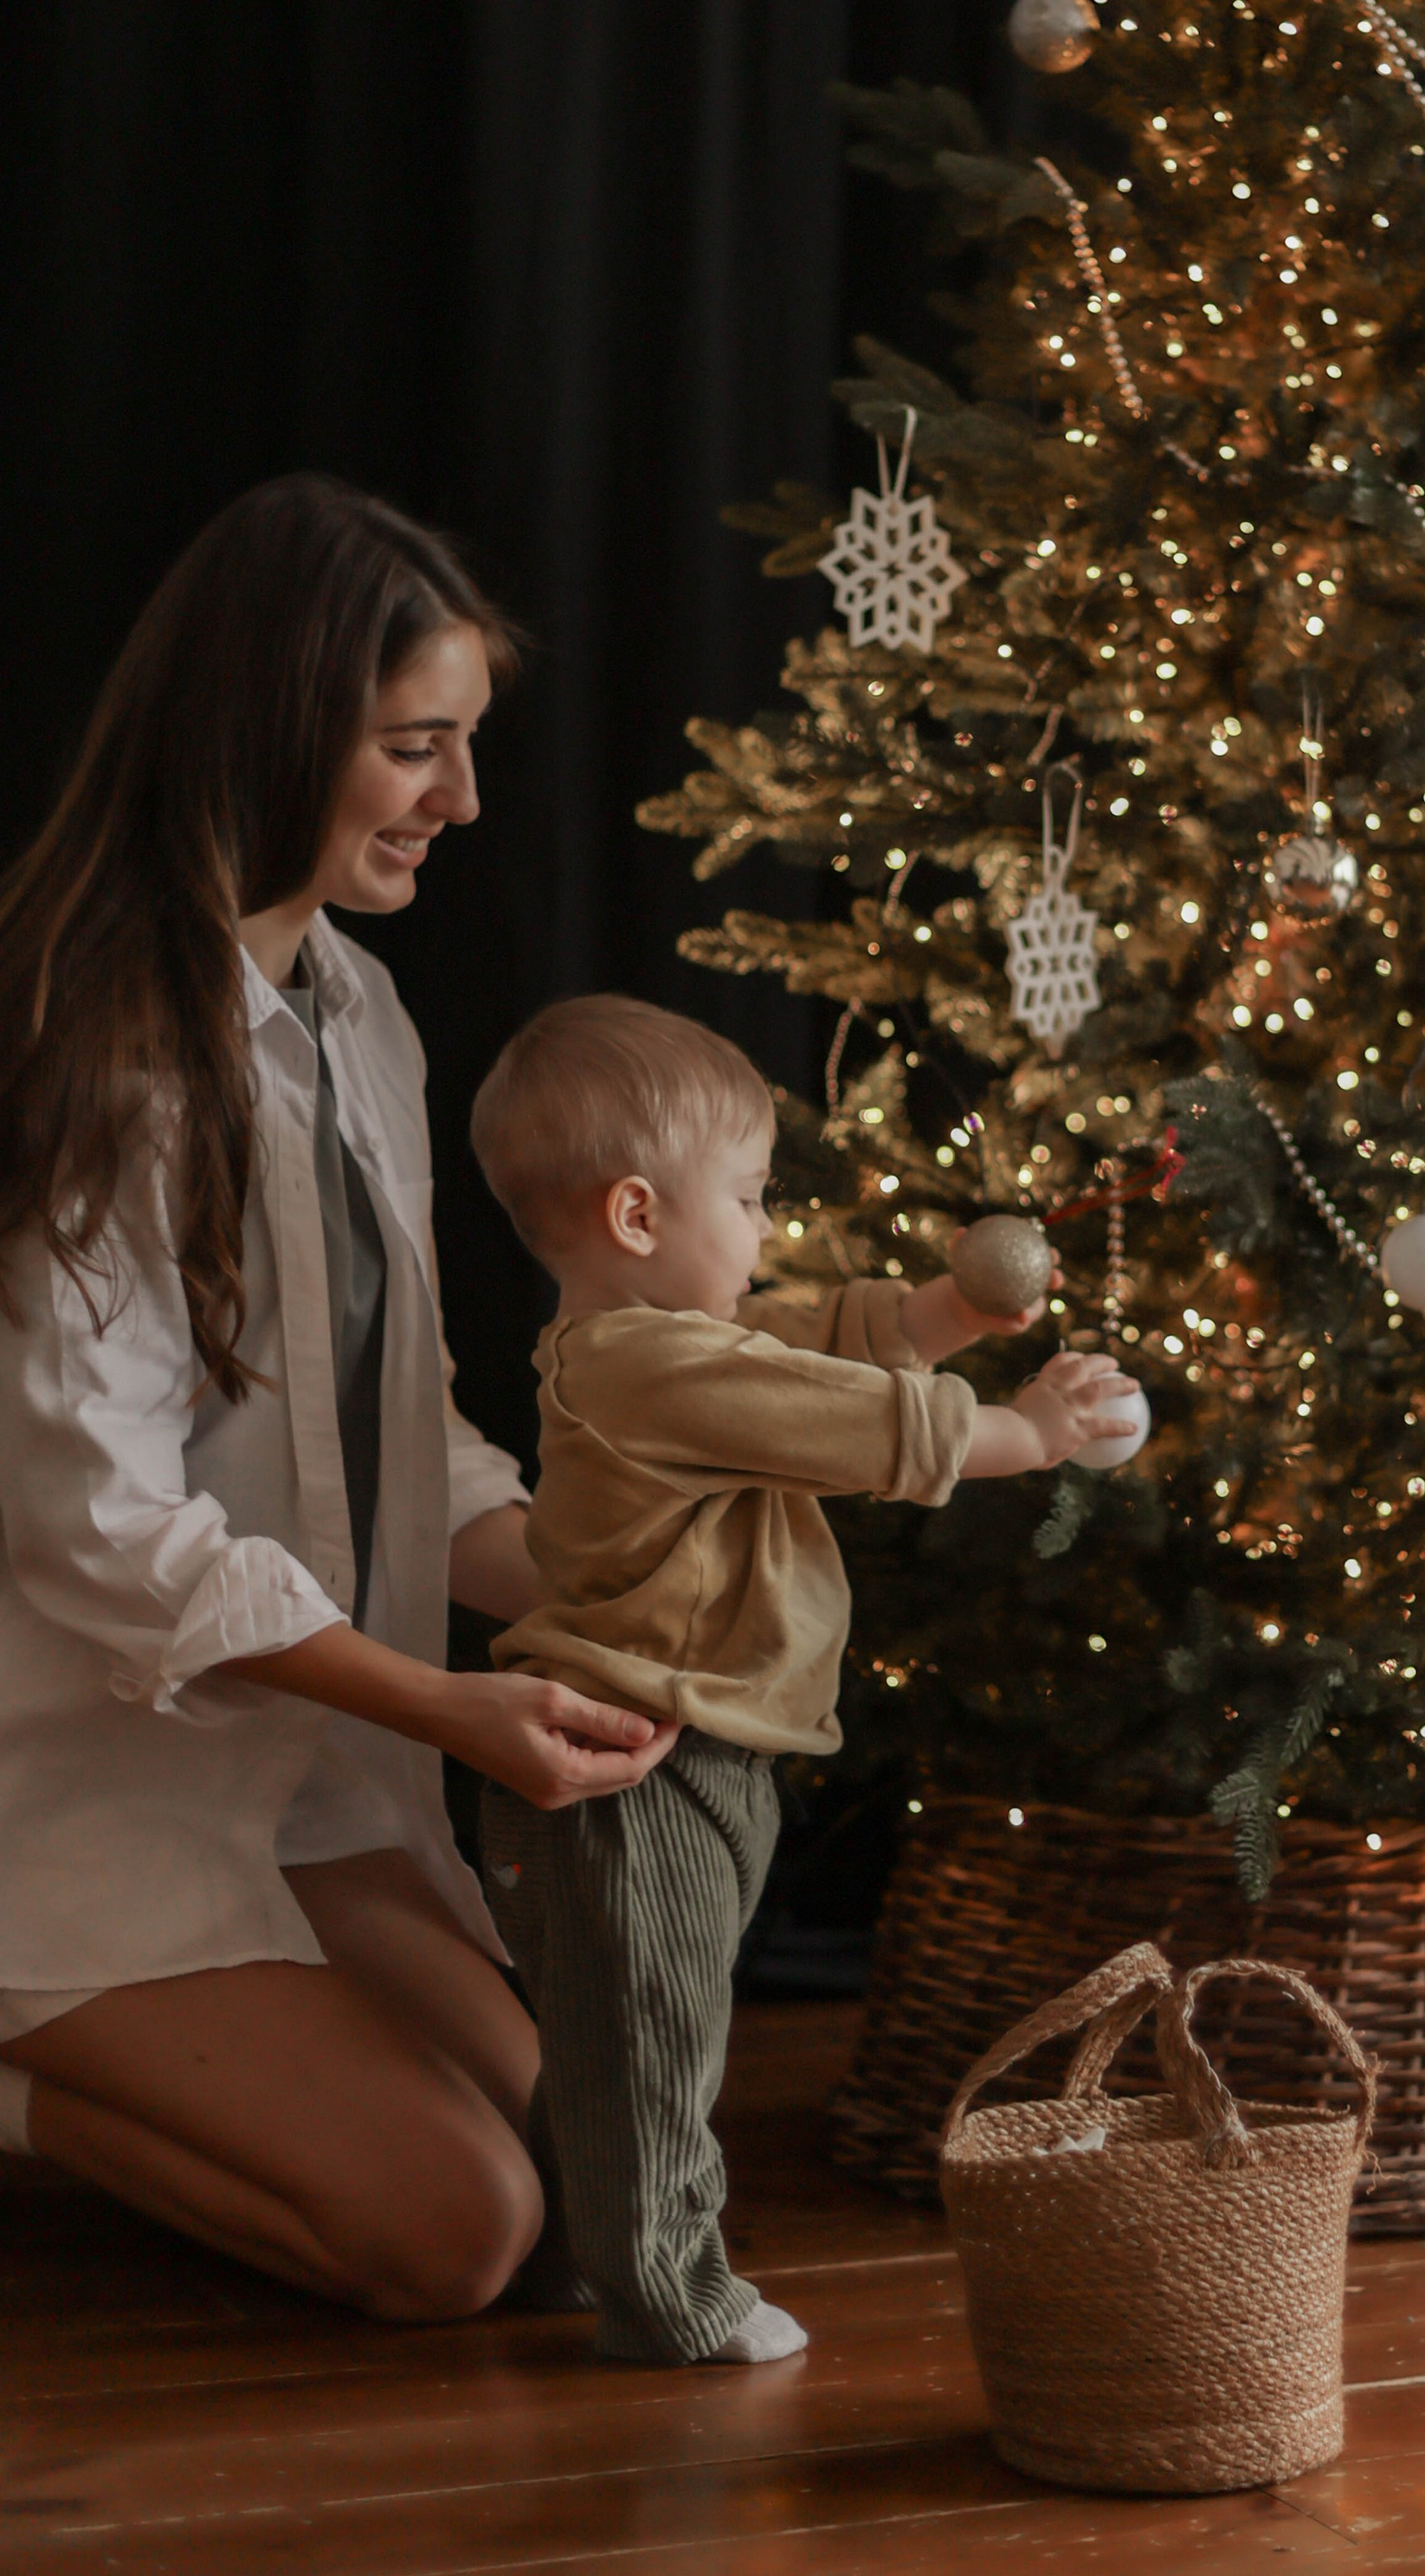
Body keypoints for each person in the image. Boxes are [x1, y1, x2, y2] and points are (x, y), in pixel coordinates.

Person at [0, 476, 680, 2314]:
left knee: (599, 2201)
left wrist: (643, 1592)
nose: (462, 801)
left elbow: (407, 1433)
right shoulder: (82, 1040)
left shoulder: (356, 1012)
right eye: (415, 747)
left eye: (467, 746)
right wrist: (447, 1703)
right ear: (270, 728)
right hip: (60, 1774)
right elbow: (105, 1536)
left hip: (292, 1766)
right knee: (456, 2236)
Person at [466, 993, 1141, 2365]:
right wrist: (1036, 1428)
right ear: (640, 1219)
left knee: (622, 2032)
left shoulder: (672, 1347)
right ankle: (673, 2299)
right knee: (652, 2044)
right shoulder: (648, 1366)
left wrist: (952, 1306)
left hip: (689, 1751)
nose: (770, 1224)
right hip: (633, 1765)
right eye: (752, 1196)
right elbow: (864, 1419)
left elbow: (829, 1340)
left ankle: (568, 2259)